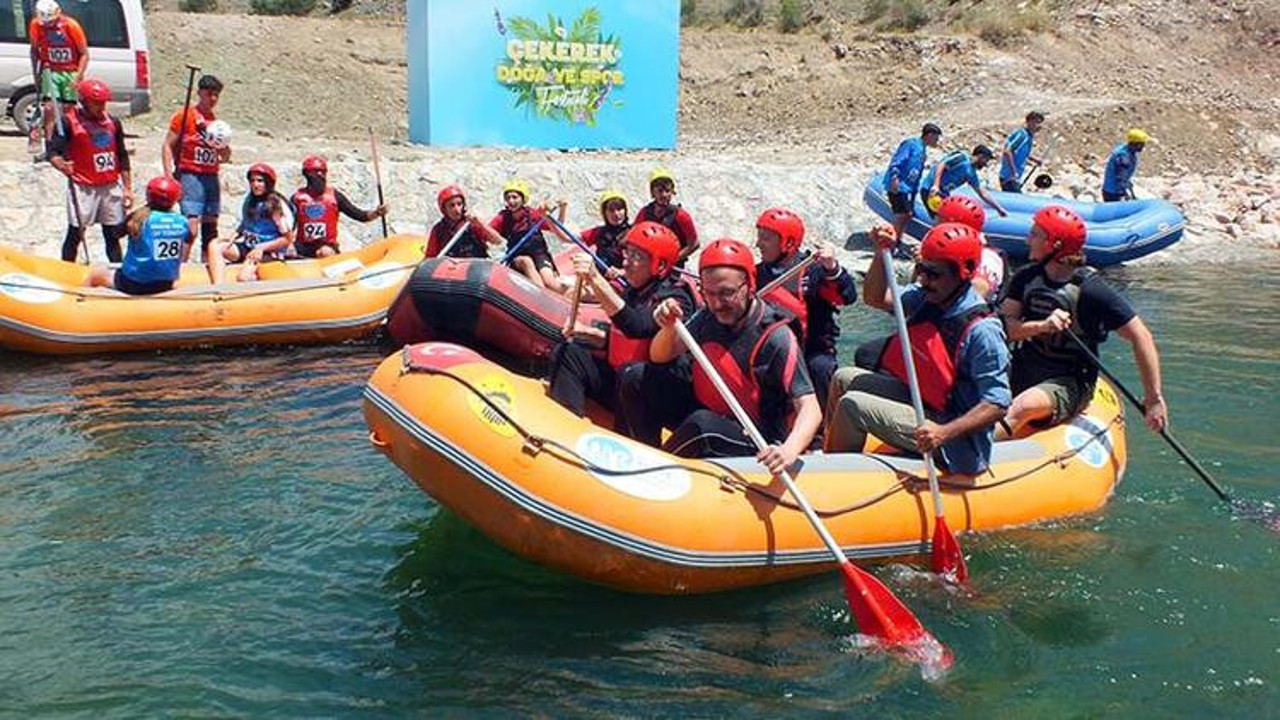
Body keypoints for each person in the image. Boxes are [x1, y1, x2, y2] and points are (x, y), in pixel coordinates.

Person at [623, 238, 821, 473]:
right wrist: (668, 328)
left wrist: (789, 450)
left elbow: (810, 407)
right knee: (635, 376)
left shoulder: (776, 337)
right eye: (709, 293)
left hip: (755, 434)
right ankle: (643, 454)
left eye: (727, 293)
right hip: (708, 409)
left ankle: (653, 473)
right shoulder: (708, 316)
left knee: (703, 425)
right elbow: (659, 357)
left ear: (749, 285)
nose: (717, 303)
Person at [826, 223, 1010, 476]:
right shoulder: (928, 296)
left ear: (964, 272)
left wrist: (943, 433)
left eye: (933, 274)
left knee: (852, 405)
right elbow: (875, 298)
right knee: (842, 378)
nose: (923, 279)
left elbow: (997, 404)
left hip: (955, 440)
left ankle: (836, 479)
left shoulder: (983, 331)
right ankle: (830, 453)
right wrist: (882, 252)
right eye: (922, 269)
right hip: (923, 400)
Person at [998, 204, 1167, 437]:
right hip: (1026, 365)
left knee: (1024, 406)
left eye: (1035, 234)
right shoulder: (1025, 278)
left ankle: (969, 458)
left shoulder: (1091, 290)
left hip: (1070, 380)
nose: (1028, 240)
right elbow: (1005, 329)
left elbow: (1141, 336)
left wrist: (1153, 399)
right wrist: (1041, 326)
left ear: (1054, 245)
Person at [547, 222, 695, 418]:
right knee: (568, 352)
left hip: (651, 395)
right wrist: (589, 333)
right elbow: (626, 342)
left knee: (631, 374)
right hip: (622, 379)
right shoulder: (635, 289)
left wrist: (595, 278)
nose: (625, 262)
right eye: (627, 253)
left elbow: (637, 326)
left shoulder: (677, 297)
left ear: (659, 265)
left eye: (636, 256)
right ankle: (565, 422)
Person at [754, 207, 857, 405]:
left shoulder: (813, 271)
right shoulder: (757, 274)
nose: (758, 244)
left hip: (812, 351)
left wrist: (832, 268)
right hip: (774, 352)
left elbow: (847, 297)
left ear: (788, 243)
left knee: (821, 368)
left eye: (765, 238)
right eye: (759, 237)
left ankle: (825, 428)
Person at [46, 78, 132, 264]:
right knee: (76, 233)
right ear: (84, 102)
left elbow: (122, 155)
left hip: (109, 186)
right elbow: (52, 153)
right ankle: (67, 269)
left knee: (112, 234)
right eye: (97, 103)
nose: (102, 107)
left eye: (104, 103)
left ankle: (117, 270)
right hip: (83, 186)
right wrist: (62, 165)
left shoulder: (113, 123)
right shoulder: (68, 123)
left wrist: (127, 188)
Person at [162, 74, 231, 261]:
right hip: (190, 174)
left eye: (216, 95)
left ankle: (209, 264)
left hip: (211, 175)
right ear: (200, 93)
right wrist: (168, 175)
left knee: (210, 226)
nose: (213, 99)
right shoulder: (184, 116)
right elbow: (168, 145)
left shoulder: (216, 123)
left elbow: (225, 155)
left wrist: (224, 149)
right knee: (191, 227)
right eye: (209, 94)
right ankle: (180, 265)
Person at [85, 177, 193, 295]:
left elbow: (115, 234)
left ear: (148, 195)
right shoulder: (182, 222)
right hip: (166, 283)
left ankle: (80, 303)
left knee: (96, 273)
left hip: (133, 282)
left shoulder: (138, 218)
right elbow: (189, 238)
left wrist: (124, 213)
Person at [290, 155, 388, 258]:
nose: (320, 176)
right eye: (316, 173)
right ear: (307, 175)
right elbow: (288, 225)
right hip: (303, 245)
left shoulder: (334, 196)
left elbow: (359, 215)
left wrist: (377, 212)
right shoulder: (297, 198)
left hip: (327, 246)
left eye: (323, 172)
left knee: (324, 252)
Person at [209, 163, 293, 283]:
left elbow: (287, 238)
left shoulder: (275, 205)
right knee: (215, 245)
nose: (255, 185)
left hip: (266, 252)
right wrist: (232, 237)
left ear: (268, 183)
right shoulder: (250, 200)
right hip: (248, 246)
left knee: (243, 278)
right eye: (252, 181)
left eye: (260, 181)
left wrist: (262, 248)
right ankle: (218, 286)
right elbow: (246, 224)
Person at [28, 0, 88, 159]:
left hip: (70, 71)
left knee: (69, 111)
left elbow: (84, 53)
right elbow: (34, 50)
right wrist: (36, 73)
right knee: (50, 109)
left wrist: (78, 76)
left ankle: (70, 146)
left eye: (51, 22)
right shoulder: (36, 25)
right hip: (50, 70)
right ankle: (50, 147)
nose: (48, 26)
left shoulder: (71, 26)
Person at [489, 178, 569, 291]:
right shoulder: (502, 218)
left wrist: (562, 209)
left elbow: (557, 227)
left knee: (550, 282)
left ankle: (566, 294)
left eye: (515, 197)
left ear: (523, 199)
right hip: (518, 258)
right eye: (508, 198)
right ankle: (543, 294)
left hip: (539, 254)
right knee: (526, 261)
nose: (511, 201)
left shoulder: (532, 214)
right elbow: (487, 232)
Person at [934, 194, 1006, 302]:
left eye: (939, 221)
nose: (934, 226)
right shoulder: (948, 251)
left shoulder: (988, 258)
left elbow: (978, 291)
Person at [883, 122, 942, 240]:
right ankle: (891, 244)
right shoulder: (911, 144)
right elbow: (897, 161)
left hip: (908, 189)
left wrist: (914, 195)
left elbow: (917, 174)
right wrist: (895, 178)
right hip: (899, 185)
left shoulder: (923, 150)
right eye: (936, 138)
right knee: (900, 215)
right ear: (929, 135)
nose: (937, 141)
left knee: (907, 215)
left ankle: (897, 241)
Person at [921, 145, 1008, 219]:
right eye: (986, 159)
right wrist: (936, 185)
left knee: (949, 218)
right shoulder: (962, 157)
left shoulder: (972, 174)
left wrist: (998, 208)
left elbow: (982, 193)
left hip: (943, 195)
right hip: (930, 190)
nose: (986, 163)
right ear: (981, 156)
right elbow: (942, 164)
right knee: (941, 218)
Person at [634, 168, 699, 266]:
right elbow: (634, 238)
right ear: (653, 193)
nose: (664, 195)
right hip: (648, 264)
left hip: (673, 266)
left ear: (672, 192)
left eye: (667, 191)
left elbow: (694, 244)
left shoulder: (681, 216)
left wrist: (673, 260)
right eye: (660, 191)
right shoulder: (644, 213)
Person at [425, 185, 503, 259]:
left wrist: (480, 224)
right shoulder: (438, 230)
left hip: (475, 267)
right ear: (444, 209)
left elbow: (498, 241)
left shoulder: (472, 224)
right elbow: (430, 258)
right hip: (451, 269)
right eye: (452, 205)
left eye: (459, 204)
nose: (457, 209)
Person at [579, 190, 631, 276]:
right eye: (611, 210)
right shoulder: (598, 232)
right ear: (605, 213)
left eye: (619, 209)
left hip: (625, 280)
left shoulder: (633, 232)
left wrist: (621, 272)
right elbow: (567, 238)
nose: (616, 214)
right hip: (601, 278)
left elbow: (642, 264)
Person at [998, 110, 1046, 193]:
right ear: (1029, 121)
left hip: (1015, 177)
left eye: (1040, 123)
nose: (1038, 125)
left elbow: (1022, 153)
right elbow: (1007, 151)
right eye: (1036, 122)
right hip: (1009, 176)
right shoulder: (1022, 135)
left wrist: (1035, 160)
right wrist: (1013, 171)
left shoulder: (1029, 137)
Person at [1102, 128, 1147, 202]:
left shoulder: (1124, 149)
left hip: (1109, 190)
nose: (1143, 146)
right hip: (1113, 193)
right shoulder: (1124, 158)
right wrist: (1122, 194)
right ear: (1136, 144)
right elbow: (1120, 177)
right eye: (1142, 144)